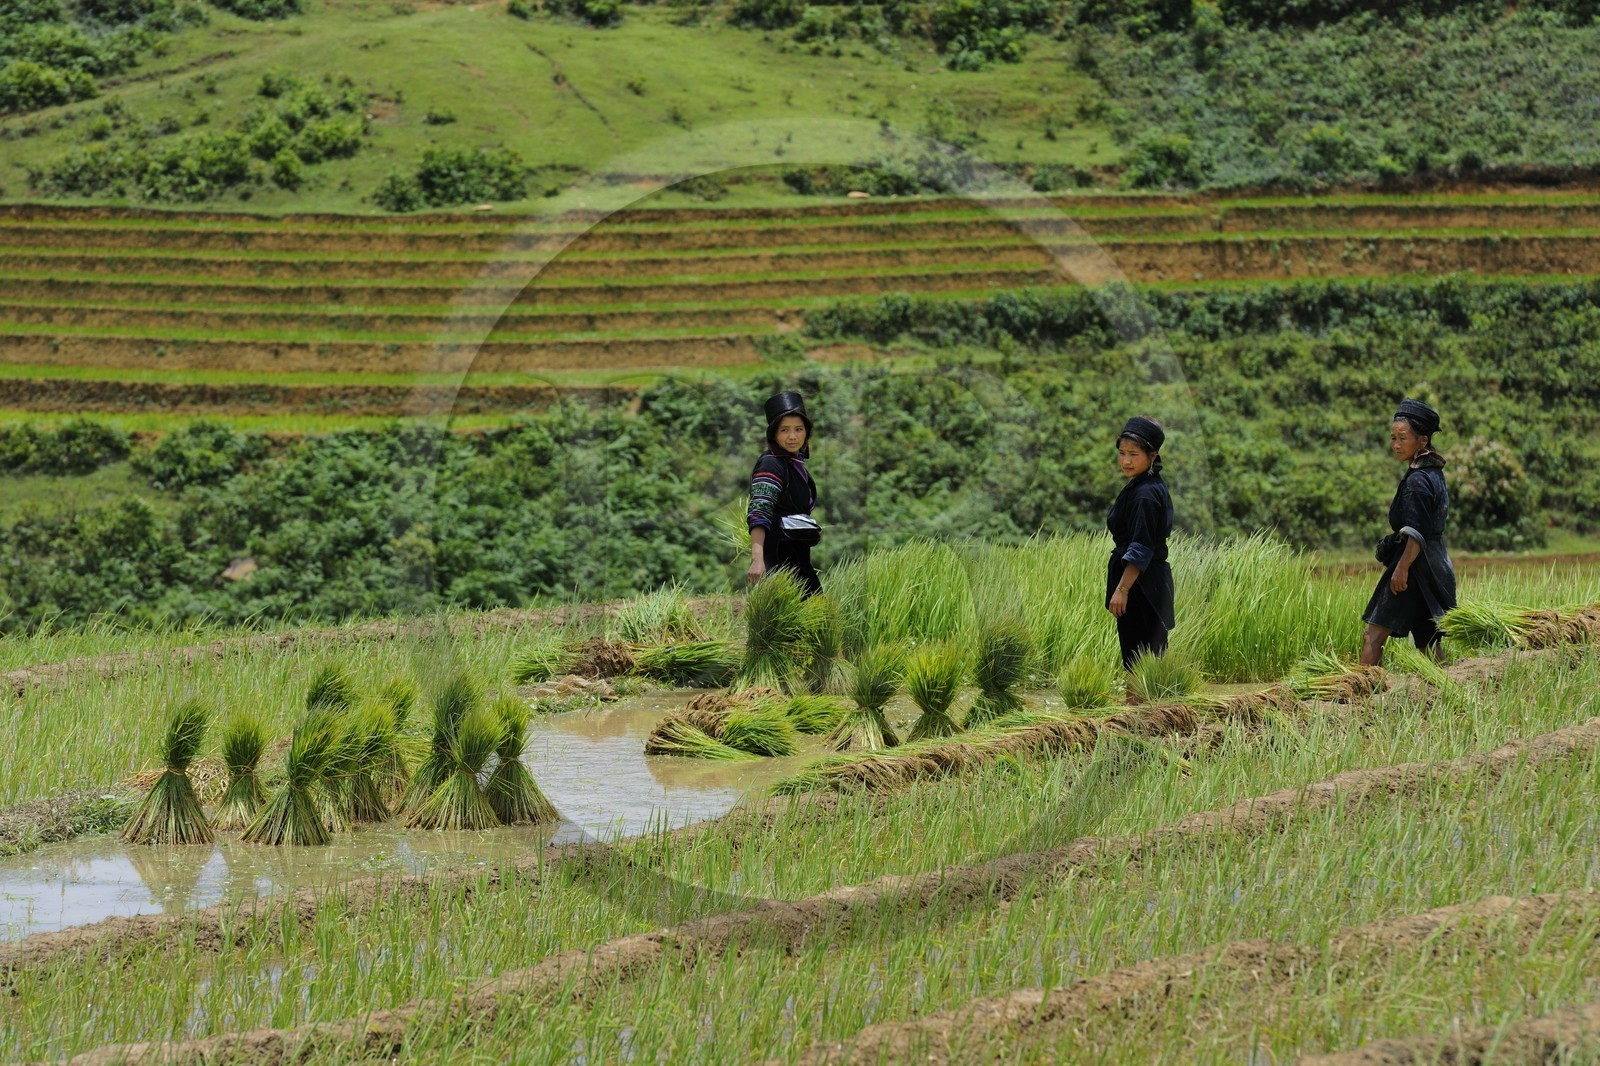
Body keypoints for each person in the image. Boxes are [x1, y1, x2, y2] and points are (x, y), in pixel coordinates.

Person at [1361, 397, 1457, 665]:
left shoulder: (1418, 481)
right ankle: (1449, 689)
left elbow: (1416, 532)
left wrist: (1401, 569)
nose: (1395, 444)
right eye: (1393, 438)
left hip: (1413, 567)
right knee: (1428, 642)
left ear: (1423, 441)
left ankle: (1360, 700)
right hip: (1435, 567)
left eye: (1402, 438)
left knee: (1373, 635)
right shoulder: (1433, 473)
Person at [1106, 415, 1175, 670]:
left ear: (1152, 455)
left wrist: (1122, 590)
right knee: (1145, 659)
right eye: (1122, 453)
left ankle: (1139, 709)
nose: (1125, 460)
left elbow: (1141, 547)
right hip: (1148, 584)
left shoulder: (1145, 494)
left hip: (1141, 587)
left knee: (1140, 661)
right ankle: (1143, 708)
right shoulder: (1144, 485)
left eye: (1134, 454)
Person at [746, 390, 821, 597]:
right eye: (784, 430)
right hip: (780, 562)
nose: (792, 436)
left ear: (807, 432)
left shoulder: (795, 465)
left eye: (798, 429)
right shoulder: (771, 463)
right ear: (774, 434)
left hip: (798, 561)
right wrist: (757, 559)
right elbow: (760, 511)